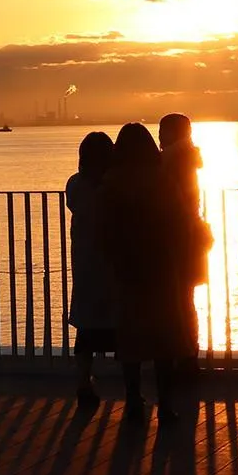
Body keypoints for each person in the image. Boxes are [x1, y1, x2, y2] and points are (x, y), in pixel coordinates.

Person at [101, 121, 197, 425]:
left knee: (130, 338)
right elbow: (180, 220)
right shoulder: (162, 180)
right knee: (164, 338)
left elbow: (104, 230)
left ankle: (132, 399)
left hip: (127, 267)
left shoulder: (111, 182)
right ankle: (166, 404)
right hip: (160, 265)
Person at [158, 114, 212, 378]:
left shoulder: (169, 161)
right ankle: (188, 355)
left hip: (176, 240)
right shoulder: (187, 160)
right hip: (189, 238)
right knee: (185, 300)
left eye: (163, 130)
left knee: (175, 301)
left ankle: (181, 357)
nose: (159, 136)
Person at [66, 131, 117, 411]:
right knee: (121, 325)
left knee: (86, 329)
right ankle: (133, 389)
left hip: (85, 265)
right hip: (112, 263)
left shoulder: (75, 185)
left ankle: (83, 381)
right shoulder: (113, 188)